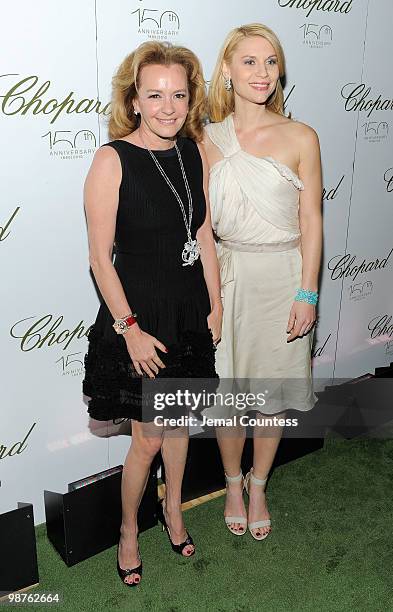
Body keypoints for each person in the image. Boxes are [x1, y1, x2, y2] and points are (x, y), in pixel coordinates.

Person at [82, 41, 222, 586]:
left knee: (181, 425)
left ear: (191, 100)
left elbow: (204, 235)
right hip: (139, 317)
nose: (168, 107)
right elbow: (99, 259)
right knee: (149, 438)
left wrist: (214, 304)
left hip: (189, 311)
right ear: (134, 100)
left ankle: (174, 511)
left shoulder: (193, 152)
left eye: (179, 95)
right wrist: (130, 331)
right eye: (155, 95)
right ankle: (128, 531)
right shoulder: (111, 160)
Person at [202, 24, 322, 541]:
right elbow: (202, 227)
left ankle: (258, 485)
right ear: (226, 70)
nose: (262, 73)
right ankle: (232, 483)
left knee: (271, 395)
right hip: (228, 278)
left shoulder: (301, 137)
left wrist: (308, 291)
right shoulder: (207, 139)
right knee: (230, 394)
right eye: (249, 61)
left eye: (271, 62)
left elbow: (312, 220)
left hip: (283, 277)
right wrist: (210, 298)